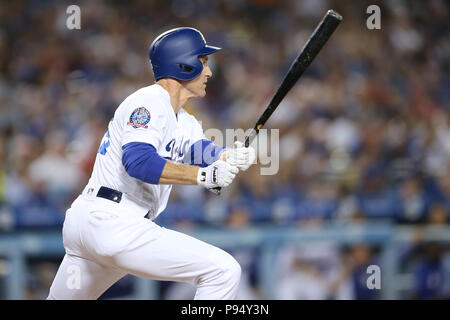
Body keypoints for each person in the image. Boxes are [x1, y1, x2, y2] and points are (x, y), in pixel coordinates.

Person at [47, 27, 256, 300]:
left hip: (98, 224)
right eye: (203, 62)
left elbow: (199, 150)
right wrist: (203, 177)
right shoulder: (149, 101)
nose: (209, 72)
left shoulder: (183, 118)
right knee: (223, 270)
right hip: (113, 221)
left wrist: (229, 155)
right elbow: (138, 161)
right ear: (184, 64)